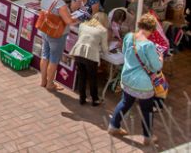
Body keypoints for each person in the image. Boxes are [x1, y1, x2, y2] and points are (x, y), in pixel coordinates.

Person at [108, 13, 164, 145]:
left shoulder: (129, 37)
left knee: (125, 103)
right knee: (146, 110)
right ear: (151, 29)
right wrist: (160, 57)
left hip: (127, 77)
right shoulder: (149, 45)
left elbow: (124, 51)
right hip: (142, 83)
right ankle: (147, 137)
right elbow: (156, 66)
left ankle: (113, 126)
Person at [38, 0, 78, 91]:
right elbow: (68, 21)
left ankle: (43, 81)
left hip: (45, 31)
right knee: (54, 59)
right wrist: (76, 18)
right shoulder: (60, 4)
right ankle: (50, 84)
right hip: (56, 35)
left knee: (45, 55)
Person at [70, 12, 109, 106]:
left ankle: (82, 98)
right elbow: (105, 48)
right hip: (91, 55)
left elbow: (82, 38)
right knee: (92, 78)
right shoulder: (103, 30)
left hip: (78, 52)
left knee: (82, 75)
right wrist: (105, 50)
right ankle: (95, 99)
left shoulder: (83, 25)